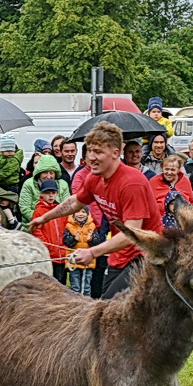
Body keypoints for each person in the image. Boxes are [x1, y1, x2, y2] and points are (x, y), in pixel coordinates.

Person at [29, 121, 163, 298]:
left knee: (113, 308)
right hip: (119, 255)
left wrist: (92, 252)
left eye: (98, 152)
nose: (91, 157)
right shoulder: (94, 178)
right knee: (105, 304)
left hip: (146, 255)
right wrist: (45, 218)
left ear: (116, 153)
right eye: (90, 150)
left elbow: (132, 233)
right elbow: (75, 202)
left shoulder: (132, 183)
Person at [62, 205, 101, 296]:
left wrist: (91, 240)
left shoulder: (92, 226)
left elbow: (97, 243)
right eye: (78, 211)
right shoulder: (69, 226)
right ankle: (75, 305)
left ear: (87, 214)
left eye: (83, 212)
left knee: (86, 287)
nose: (80, 214)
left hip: (88, 263)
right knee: (75, 287)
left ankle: (87, 305)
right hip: (74, 262)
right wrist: (74, 239)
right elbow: (66, 241)